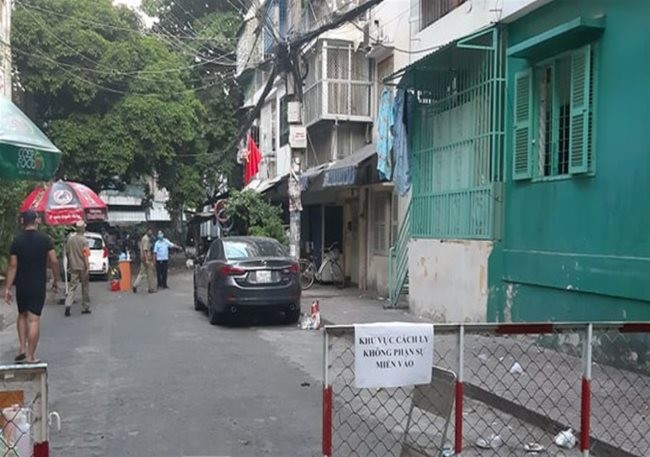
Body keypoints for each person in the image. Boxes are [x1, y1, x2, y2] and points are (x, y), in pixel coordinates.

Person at [4, 209, 59, 363]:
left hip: (21, 285)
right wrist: (56, 279)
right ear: (36, 221)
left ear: (23, 222)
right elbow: (54, 261)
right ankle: (30, 355)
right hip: (37, 284)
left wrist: (7, 288)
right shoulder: (45, 239)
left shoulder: (17, 241)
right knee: (33, 319)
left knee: (22, 315)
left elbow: (12, 266)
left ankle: (21, 347)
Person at [65, 220, 91, 316]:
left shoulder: (70, 239)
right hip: (82, 266)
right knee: (85, 287)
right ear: (83, 228)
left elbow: (67, 253)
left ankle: (68, 304)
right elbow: (85, 255)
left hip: (73, 265)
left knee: (72, 286)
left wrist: (69, 263)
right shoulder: (84, 241)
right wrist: (87, 266)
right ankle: (85, 306)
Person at [133, 227, 156, 293]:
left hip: (143, 257)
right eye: (150, 231)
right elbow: (145, 250)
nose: (151, 232)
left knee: (141, 272)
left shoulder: (145, 238)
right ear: (147, 231)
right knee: (150, 273)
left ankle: (135, 285)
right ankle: (151, 288)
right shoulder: (146, 239)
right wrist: (147, 259)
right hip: (146, 257)